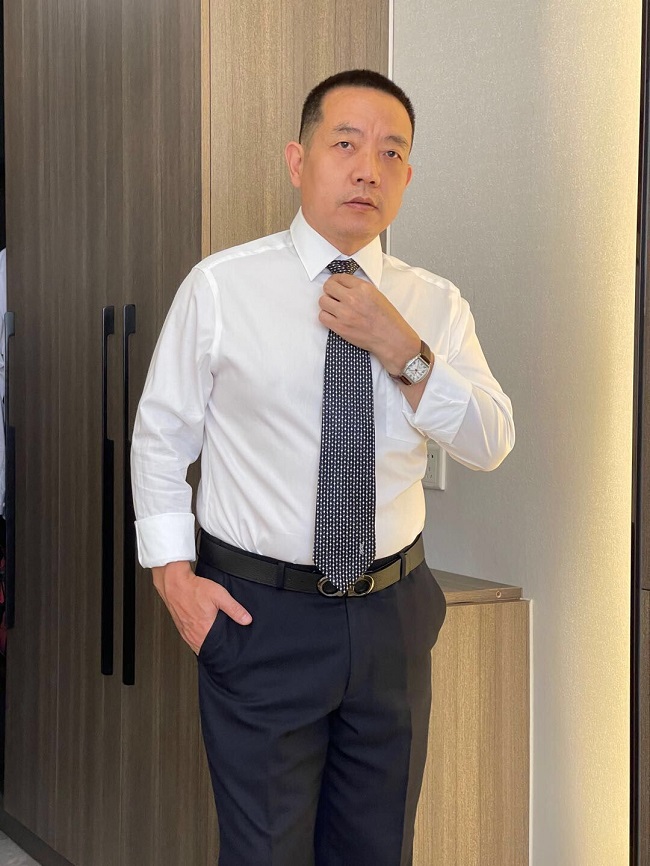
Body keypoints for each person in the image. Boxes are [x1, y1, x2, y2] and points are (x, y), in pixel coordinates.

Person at [131, 69, 514, 866]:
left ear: (407, 177)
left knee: (379, 849)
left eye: (391, 152)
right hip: (259, 617)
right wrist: (173, 579)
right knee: (265, 853)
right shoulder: (222, 288)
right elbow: (161, 438)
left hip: (392, 617)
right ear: (297, 160)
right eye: (346, 144)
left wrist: (406, 353)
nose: (368, 168)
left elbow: (491, 440)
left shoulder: (434, 305)